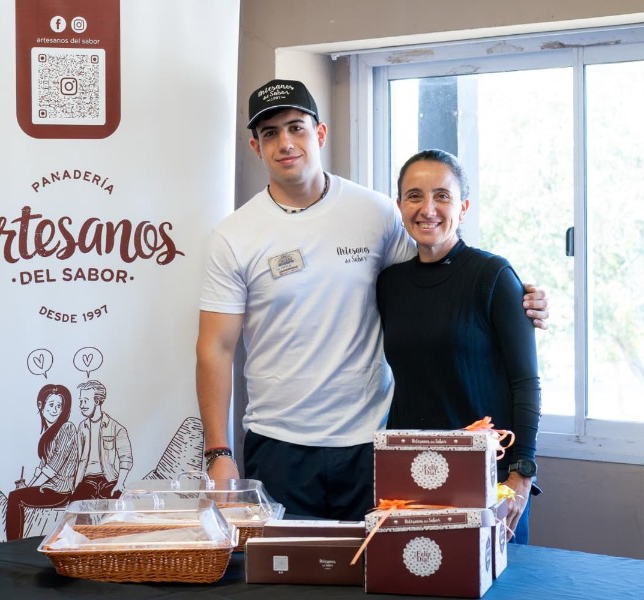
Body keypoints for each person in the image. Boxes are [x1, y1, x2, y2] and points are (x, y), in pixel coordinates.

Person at [196, 78, 549, 521]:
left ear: (319, 133)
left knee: (374, 565)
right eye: (270, 133)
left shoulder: (376, 211)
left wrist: (516, 294)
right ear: (256, 146)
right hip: (279, 443)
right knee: (286, 566)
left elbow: (438, 266)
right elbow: (216, 348)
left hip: (373, 441)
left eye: (296, 127)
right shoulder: (233, 235)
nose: (285, 143)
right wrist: (218, 452)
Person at [376, 149, 541, 543]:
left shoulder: (493, 276)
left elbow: (526, 382)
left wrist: (521, 473)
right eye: (414, 196)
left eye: (442, 196)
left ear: (463, 207)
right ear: (400, 206)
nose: (427, 209)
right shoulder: (389, 284)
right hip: (413, 472)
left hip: (489, 476)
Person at [6, 384, 78, 541]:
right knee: (16, 495)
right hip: (48, 488)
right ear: (41, 405)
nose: (55, 410)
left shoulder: (67, 428)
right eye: (51, 405)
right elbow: (42, 468)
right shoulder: (49, 433)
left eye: (59, 406)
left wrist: (29, 488)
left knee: (15, 498)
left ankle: (13, 544)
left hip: (59, 491)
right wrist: (28, 486)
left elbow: (52, 469)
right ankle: (14, 541)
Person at [71, 379, 133, 500]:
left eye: (85, 401)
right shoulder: (82, 427)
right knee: (75, 506)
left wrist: (120, 483)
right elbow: (77, 458)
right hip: (86, 480)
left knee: (118, 504)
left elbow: (126, 458)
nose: (81, 405)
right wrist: (75, 484)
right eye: (80, 401)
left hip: (109, 479)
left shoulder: (116, 428)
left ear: (97, 401)